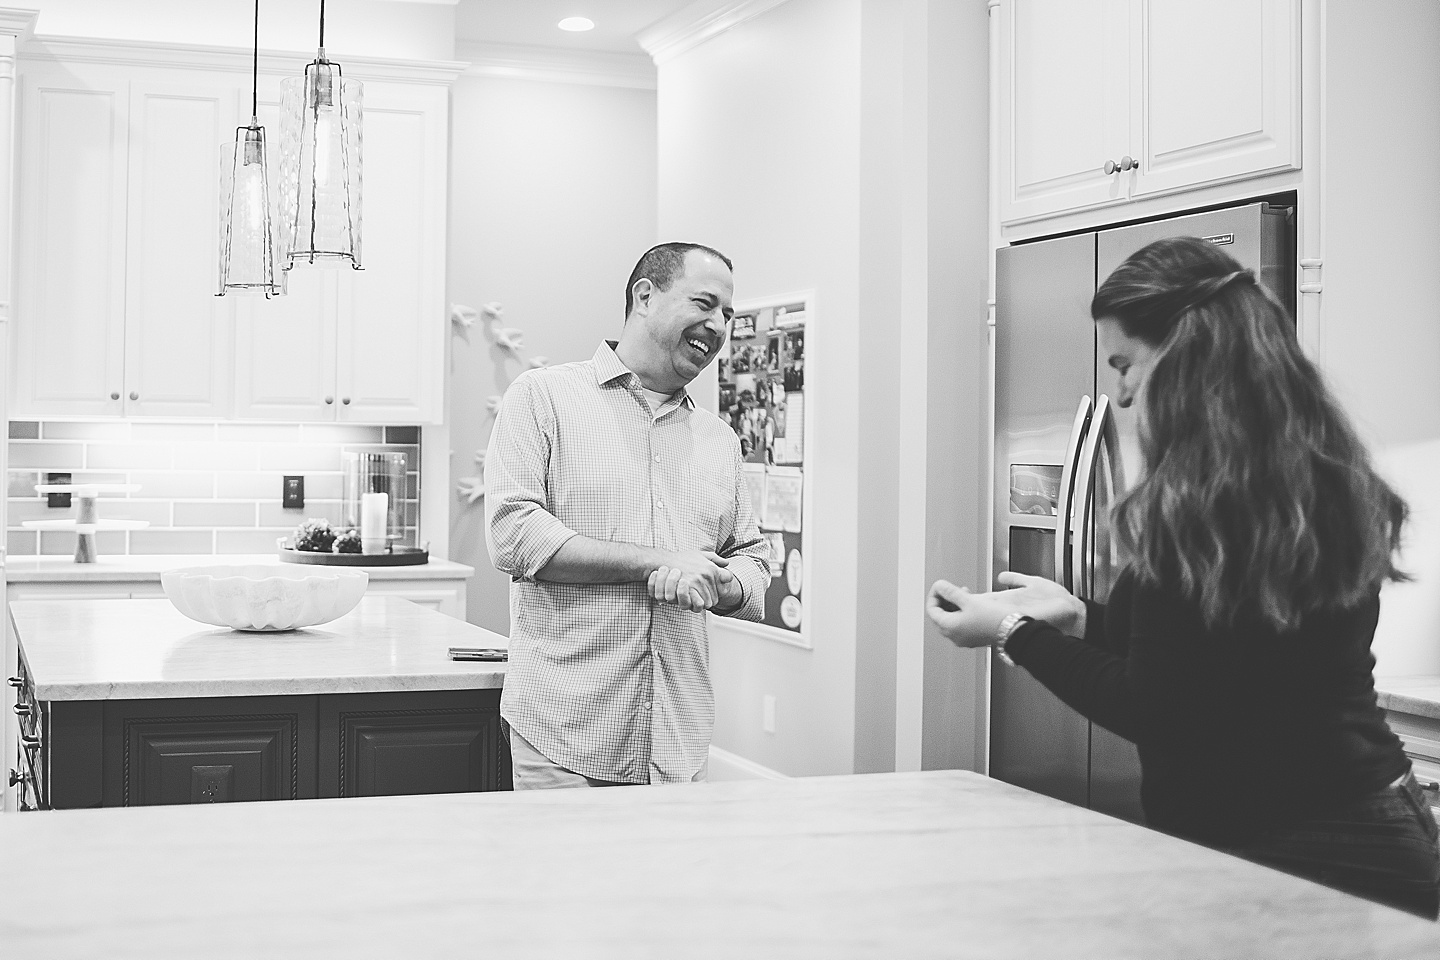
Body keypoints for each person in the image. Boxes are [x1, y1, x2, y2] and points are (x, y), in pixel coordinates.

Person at [926, 236, 1440, 918]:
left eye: (1126, 364)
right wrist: (1079, 616)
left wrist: (1014, 632)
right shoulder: (1315, 473)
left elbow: (1160, 708)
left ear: (1185, 353)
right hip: (1368, 819)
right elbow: (1231, 659)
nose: (1122, 395)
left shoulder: (1197, 500)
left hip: (1303, 844)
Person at [485, 242, 769, 790]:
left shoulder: (719, 441)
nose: (718, 325)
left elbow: (752, 563)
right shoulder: (542, 399)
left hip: (679, 743)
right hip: (565, 738)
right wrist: (658, 563)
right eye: (705, 303)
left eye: (728, 315)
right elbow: (515, 535)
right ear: (645, 296)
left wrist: (720, 584)